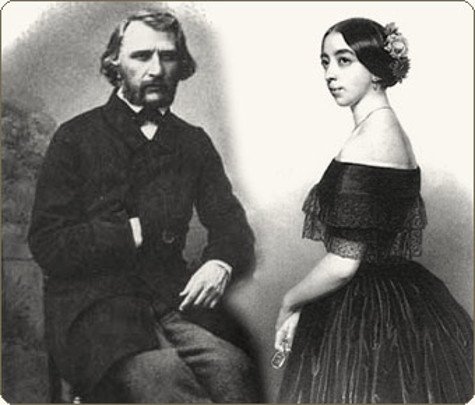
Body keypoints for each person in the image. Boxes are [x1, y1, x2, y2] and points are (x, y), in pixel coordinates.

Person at [28, 10, 261, 403]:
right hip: (93, 311)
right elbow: (47, 243)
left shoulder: (193, 142)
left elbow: (231, 225)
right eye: (141, 56)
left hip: (170, 302)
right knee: (167, 384)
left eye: (167, 57)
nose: (156, 69)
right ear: (115, 64)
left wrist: (220, 262)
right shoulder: (76, 137)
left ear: (181, 66)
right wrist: (128, 234)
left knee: (234, 372)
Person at [274, 18, 473, 403]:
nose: (330, 74)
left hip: (368, 317)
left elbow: (343, 264)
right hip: (398, 299)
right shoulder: (385, 129)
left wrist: (289, 302)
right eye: (325, 62)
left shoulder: (371, 140)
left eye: (344, 60)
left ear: (377, 69)